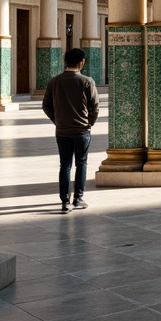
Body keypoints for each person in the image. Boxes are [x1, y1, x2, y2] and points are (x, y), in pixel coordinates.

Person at [41, 47, 99, 213]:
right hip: (81, 131)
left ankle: (65, 202)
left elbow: (46, 105)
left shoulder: (55, 81)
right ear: (81, 62)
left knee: (65, 165)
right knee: (81, 164)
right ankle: (78, 199)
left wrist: (57, 121)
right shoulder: (87, 81)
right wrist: (89, 123)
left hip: (62, 131)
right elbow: (94, 106)